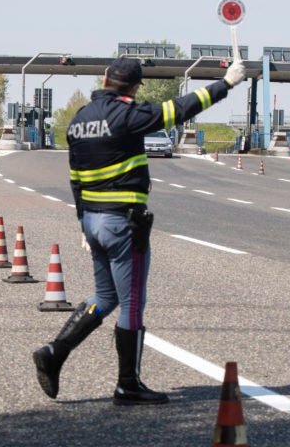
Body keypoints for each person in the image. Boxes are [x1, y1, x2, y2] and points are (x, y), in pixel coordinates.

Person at [32, 57, 246, 405]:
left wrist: (83, 223)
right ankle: (127, 385)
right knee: (132, 304)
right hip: (121, 224)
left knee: (105, 297)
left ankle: (54, 352)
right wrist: (227, 83)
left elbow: (74, 176)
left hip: (92, 220)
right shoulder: (128, 116)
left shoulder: (80, 118)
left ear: (104, 79)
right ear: (133, 87)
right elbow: (181, 108)